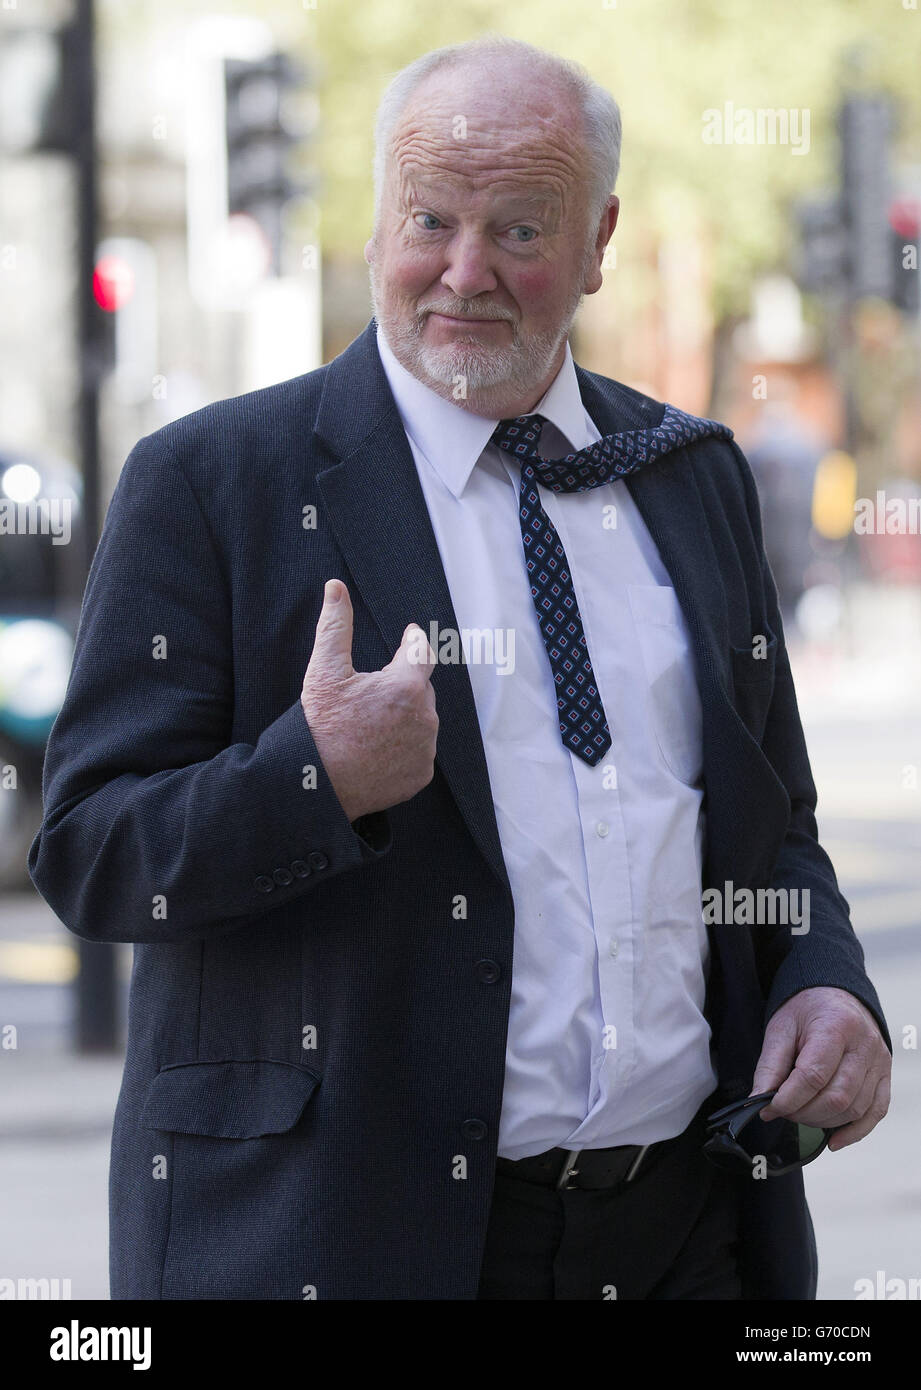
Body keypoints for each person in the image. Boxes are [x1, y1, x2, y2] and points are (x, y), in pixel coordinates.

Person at [29, 36, 890, 1301]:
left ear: (599, 240)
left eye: (521, 230)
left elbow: (777, 831)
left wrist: (827, 981)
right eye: (429, 218)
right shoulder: (214, 485)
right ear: (379, 221)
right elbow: (90, 855)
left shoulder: (689, 475)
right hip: (356, 1236)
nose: (465, 272)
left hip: (686, 1236)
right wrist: (313, 776)